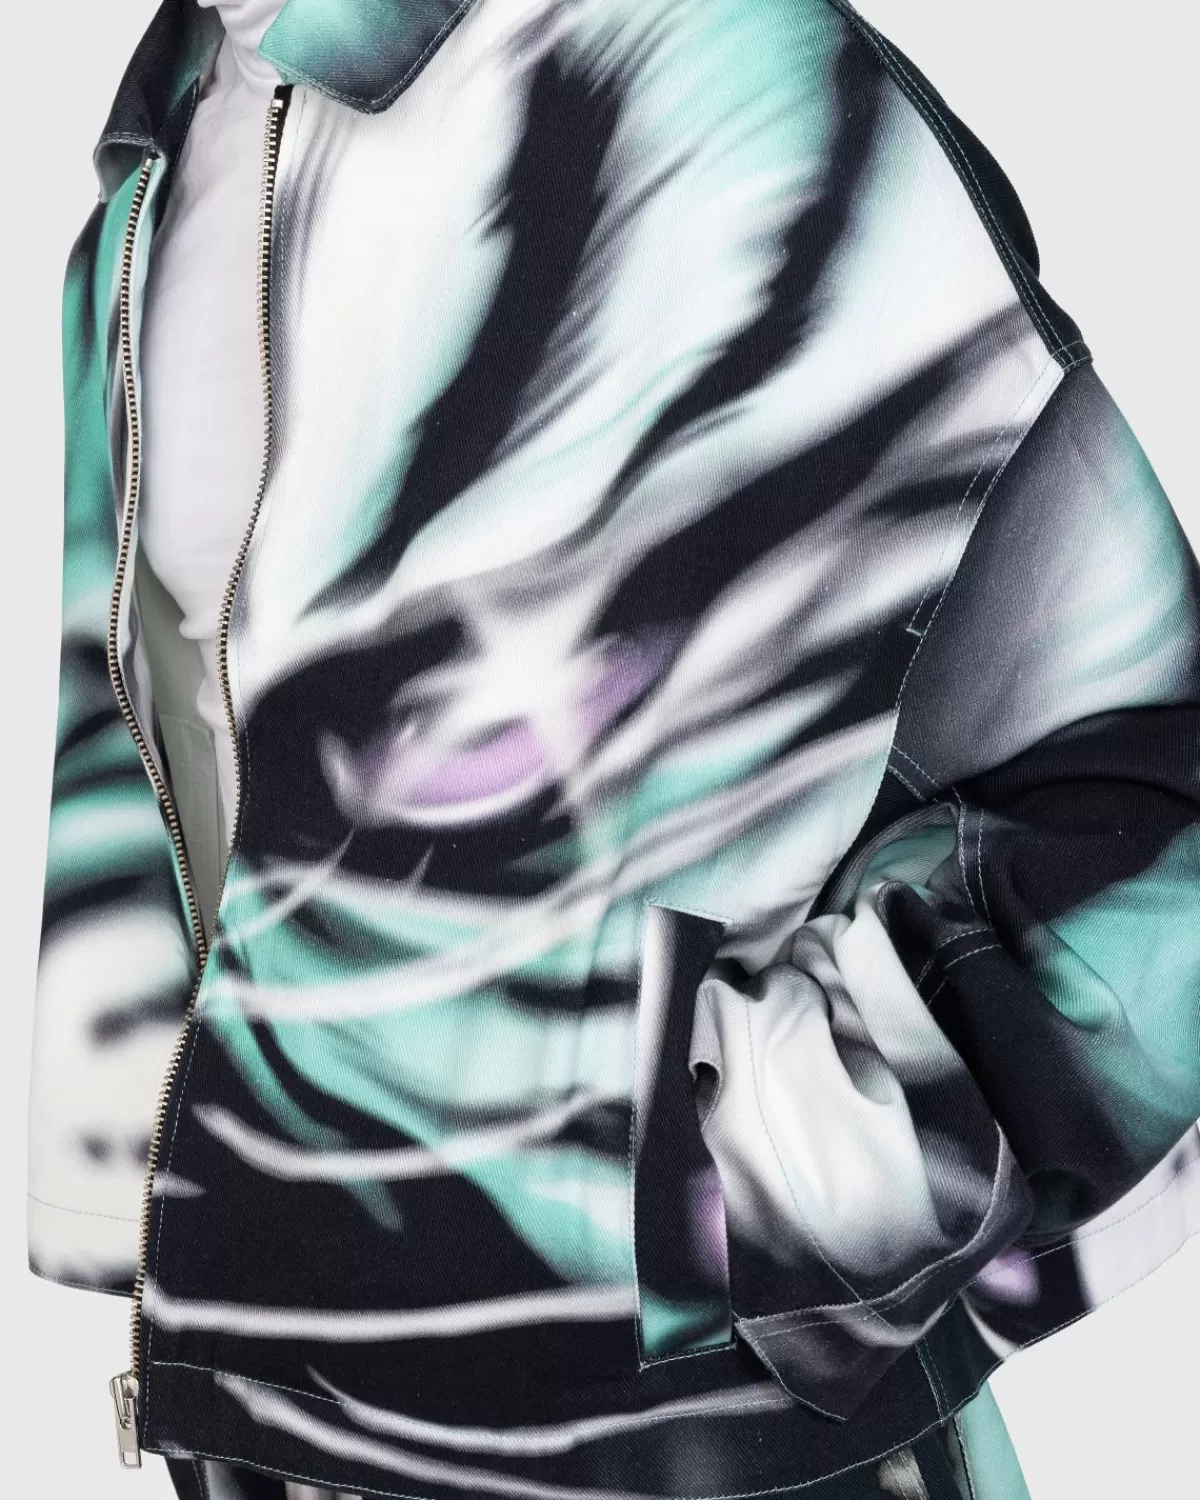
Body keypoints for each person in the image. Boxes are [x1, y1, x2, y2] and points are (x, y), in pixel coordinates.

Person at [26, 1, 1200, 1497]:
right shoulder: (148, 187)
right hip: (272, 1413)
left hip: (691, 1444)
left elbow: (1148, 801)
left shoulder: (715, 65)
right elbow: (174, 791)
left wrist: (773, 1193)